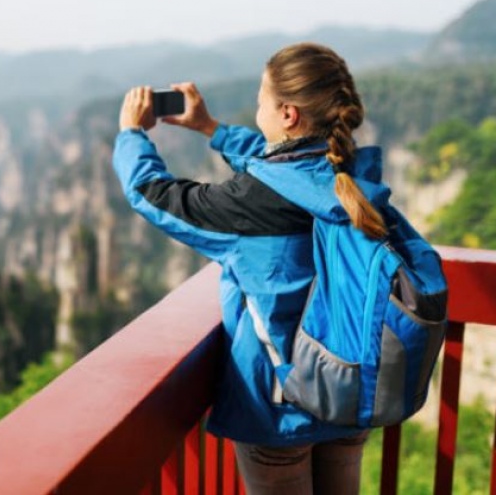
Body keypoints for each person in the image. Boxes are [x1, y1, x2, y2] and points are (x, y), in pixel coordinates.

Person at [112, 43, 387, 495]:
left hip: (282, 409)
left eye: (262, 99)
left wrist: (130, 135)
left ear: (288, 114)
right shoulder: (353, 176)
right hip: (349, 392)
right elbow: (283, 164)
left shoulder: (249, 207)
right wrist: (211, 130)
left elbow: (153, 194)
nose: (256, 106)